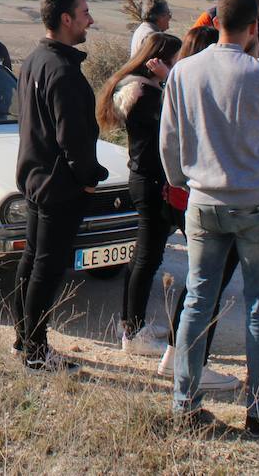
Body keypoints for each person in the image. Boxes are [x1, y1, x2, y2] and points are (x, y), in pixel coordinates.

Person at [160, 0, 259, 434]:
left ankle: (185, 404)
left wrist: (181, 181)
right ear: (253, 27)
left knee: (198, 298)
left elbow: (169, 139)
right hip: (257, 201)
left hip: (204, 200)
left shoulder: (184, 70)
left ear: (215, 22)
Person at [12, 0, 106, 373]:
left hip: (36, 179)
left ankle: (24, 342)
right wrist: (88, 178)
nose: (90, 20)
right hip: (58, 187)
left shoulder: (35, 60)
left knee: (33, 262)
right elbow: (73, 138)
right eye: (84, 13)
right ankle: (36, 353)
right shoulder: (62, 71)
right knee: (46, 270)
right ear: (66, 19)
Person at [158, 27, 241, 392]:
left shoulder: (181, 83)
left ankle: (175, 354)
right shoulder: (211, 88)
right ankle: (192, 363)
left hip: (187, 194)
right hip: (211, 197)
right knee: (209, 285)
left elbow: (168, 142)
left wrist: (177, 181)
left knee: (199, 280)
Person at [96, 31, 182, 360]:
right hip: (151, 182)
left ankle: (131, 323)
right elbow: (177, 117)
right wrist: (170, 79)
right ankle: (133, 333)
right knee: (147, 258)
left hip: (144, 179)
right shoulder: (147, 94)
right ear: (159, 60)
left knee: (142, 258)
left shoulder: (141, 90)